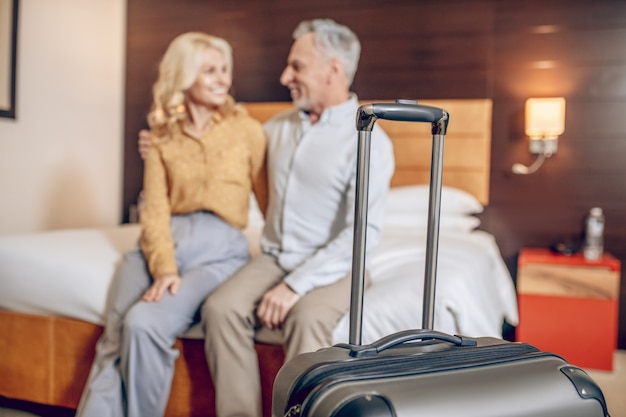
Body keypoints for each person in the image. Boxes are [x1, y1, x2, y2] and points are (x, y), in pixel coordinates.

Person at [201, 19, 394, 417]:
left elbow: (360, 234)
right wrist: (164, 139)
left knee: (305, 318)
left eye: (297, 67)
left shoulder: (368, 139)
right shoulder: (274, 129)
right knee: (220, 308)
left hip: (340, 265)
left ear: (333, 70)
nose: (285, 76)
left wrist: (295, 285)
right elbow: (220, 145)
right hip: (276, 256)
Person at [76, 32, 266, 417]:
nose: (222, 79)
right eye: (209, 70)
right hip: (160, 241)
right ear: (184, 76)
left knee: (142, 324)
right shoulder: (161, 136)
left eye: (224, 70)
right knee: (112, 342)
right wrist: (164, 266)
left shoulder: (248, 130)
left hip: (219, 247)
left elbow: (269, 201)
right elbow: (155, 210)